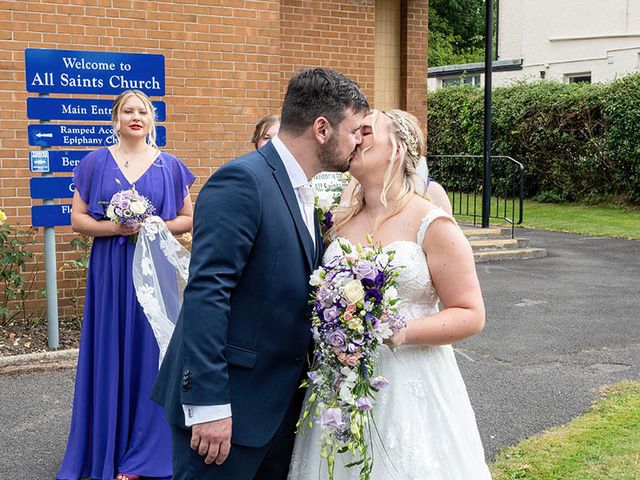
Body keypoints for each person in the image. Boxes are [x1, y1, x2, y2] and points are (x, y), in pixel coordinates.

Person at [151, 67, 369, 480]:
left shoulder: (305, 190)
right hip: (226, 412)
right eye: (355, 129)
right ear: (322, 129)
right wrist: (210, 406)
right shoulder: (242, 181)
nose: (359, 140)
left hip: (279, 407)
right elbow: (207, 293)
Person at [288, 110, 491, 479]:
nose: (355, 138)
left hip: (412, 385)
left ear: (398, 149)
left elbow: (470, 313)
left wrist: (401, 331)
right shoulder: (337, 222)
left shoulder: (431, 222)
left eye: (366, 131)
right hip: (341, 383)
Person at [57, 89, 195, 480]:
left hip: (152, 269)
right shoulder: (94, 163)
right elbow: (78, 219)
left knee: (152, 349)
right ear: (116, 119)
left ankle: (145, 453)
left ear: (152, 120)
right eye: (128, 111)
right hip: (110, 268)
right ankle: (107, 448)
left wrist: (151, 225)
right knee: (110, 348)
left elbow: (188, 217)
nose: (136, 117)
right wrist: (114, 227)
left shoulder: (170, 166)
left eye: (143, 111)